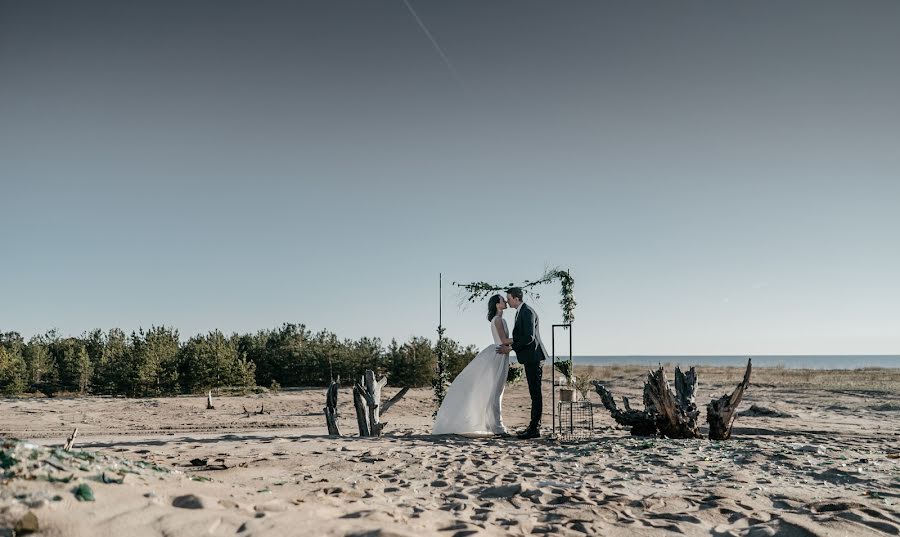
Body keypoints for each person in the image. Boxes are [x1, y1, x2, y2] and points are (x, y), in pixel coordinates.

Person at [433, 294, 511, 436]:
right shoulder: (498, 320)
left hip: (502, 354)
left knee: (496, 391)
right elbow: (504, 340)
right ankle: (497, 426)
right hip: (499, 355)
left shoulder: (500, 319)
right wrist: (522, 339)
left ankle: (493, 423)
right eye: (502, 300)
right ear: (496, 304)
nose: (505, 301)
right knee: (496, 391)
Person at [499, 286, 548, 439]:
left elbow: (529, 337)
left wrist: (511, 348)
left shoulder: (527, 312)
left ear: (516, 298)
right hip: (530, 357)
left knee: (535, 394)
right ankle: (533, 427)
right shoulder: (521, 312)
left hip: (534, 357)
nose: (507, 301)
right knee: (534, 393)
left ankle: (534, 429)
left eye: (509, 298)